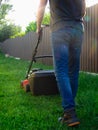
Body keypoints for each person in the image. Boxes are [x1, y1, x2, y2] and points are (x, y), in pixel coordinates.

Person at [36, 0, 86, 127]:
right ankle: (70, 110)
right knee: (73, 71)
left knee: (61, 70)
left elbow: (42, 5)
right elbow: (84, 9)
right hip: (77, 28)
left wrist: (38, 27)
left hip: (60, 28)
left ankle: (69, 112)